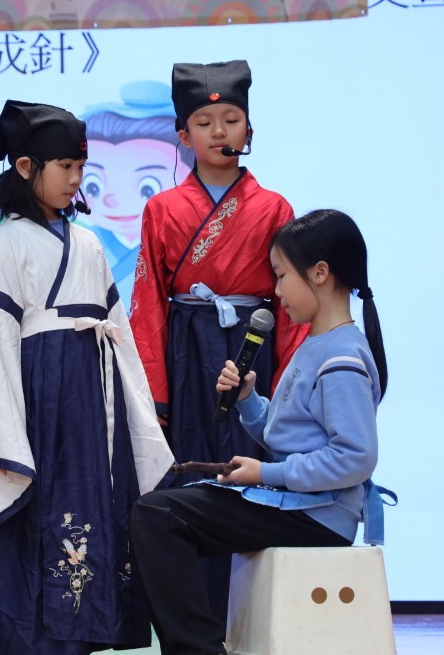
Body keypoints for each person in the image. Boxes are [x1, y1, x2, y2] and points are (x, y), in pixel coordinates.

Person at [0, 100, 175, 655]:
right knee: (38, 511)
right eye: (66, 167)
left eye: (80, 167)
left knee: (91, 506)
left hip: (93, 401)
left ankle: (82, 637)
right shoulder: (5, 243)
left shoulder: (90, 244)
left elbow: (119, 335)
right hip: (37, 400)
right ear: (26, 167)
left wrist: (139, 414)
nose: (76, 179)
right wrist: (6, 433)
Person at [131, 208, 391, 655]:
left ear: (320, 273)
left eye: (282, 275)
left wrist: (264, 474)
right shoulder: (319, 344)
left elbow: (355, 457)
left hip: (316, 513)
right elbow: (289, 433)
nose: (277, 291)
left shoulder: (342, 357)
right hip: (299, 504)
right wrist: (249, 400)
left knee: (159, 517)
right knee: (159, 514)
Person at [128, 59, 309, 618]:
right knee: (194, 473)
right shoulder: (161, 209)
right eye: (204, 123)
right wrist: (155, 395)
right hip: (187, 352)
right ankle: (200, 621)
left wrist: (290, 383)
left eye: (231, 119)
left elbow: (292, 303)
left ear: (248, 129)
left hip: (256, 347)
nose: (218, 132)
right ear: (183, 136)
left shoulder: (274, 207)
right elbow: (148, 302)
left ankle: (255, 619)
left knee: (255, 469)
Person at [79, 81, 195, 312]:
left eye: (147, 188)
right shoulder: (81, 240)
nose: (114, 201)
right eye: (93, 186)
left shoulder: (189, 239)